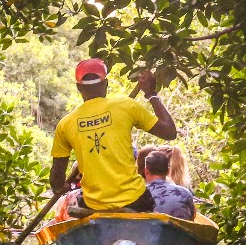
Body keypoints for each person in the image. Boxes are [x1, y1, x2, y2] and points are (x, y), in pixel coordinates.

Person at [50, 59, 178, 213]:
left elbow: (56, 177)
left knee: (80, 200)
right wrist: (151, 94)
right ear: (106, 84)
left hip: (94, 204)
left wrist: (60, 187)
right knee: (147, 200)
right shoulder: (126, 106)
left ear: (79, 87)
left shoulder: (65, 124)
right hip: (134, 200)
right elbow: (169, 132)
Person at [142, 146, 196, 220]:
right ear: (168, 171)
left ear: (146, 171)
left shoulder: (139, 195)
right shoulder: (185, 193)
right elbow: (192, 219)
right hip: (180, 231)